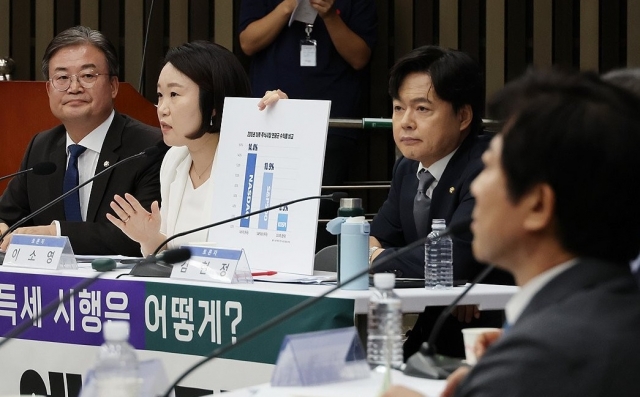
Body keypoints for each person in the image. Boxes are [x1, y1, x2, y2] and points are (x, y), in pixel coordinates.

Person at [383, 69, 640, 397]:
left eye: (490, 168)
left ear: (537, 205)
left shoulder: (541, 360)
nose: (475, 185)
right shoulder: (613, 312)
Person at [369, 45, 513, 359]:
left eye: (421, 109)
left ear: (463, 116)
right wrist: (376, 253)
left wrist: (374, 259)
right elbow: (379, 236)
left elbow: (456, 258)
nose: (405, 122)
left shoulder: (488, 163)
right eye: (397, 108)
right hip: (432, 333)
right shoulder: (408, 168)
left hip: (490, 339)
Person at [0, 26, 164, 256]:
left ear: (113, 86)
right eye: (62, 78)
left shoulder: (149, 148)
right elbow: (6, 215)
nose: (74, 88)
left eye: (87, 76)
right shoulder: (41, 147)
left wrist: (55, 233)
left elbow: (142, 235)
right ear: (48, 89)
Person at [238, 0, 378, 252]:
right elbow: (248, 42)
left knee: (318, 208)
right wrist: (286, 7)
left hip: (333, 121)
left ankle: (315, 270)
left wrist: (330, 15)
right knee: (266, 202)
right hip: (270, 117)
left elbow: (359, 57)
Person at [106, 41, 252, 255]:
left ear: (213, 102)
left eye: (174, 94)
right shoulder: (174, 160)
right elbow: (172, 257)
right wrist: (149, 238)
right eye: (159, 96)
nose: (162, 109)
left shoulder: (247, 162)